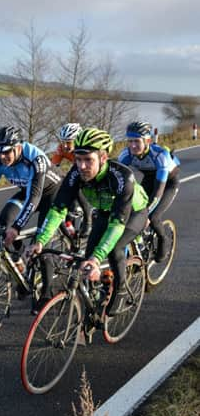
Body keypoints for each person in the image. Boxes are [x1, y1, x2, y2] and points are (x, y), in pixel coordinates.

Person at [27, 128, 149, 316]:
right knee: (86, 256)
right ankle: (94, 299)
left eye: (88, 160)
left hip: (133, 213)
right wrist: (41, 241)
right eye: (78, 159)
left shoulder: (122, 177)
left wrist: (97, 258)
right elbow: (58, 209)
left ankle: (121, 289)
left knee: (113, 249)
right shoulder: (76, 173)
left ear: (103, 158)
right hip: (104, 210)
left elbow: (117, 224)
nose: (81, 166)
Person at [0, 126, 63, 310]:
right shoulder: (0, 163)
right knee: (5, 219)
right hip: (28, 192)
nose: (2, 156)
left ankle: (46, 296)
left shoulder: (35, 159)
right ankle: (18, 265)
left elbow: (34, 197)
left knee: (41, 243)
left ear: (18, 147)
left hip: (50, 194)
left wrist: (16, 228)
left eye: (6, 152)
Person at [117, 121, 180, 262]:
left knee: (153, 216)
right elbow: (116, 179)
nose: (133, 145)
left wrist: (146, 215)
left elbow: (158, 192)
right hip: (150, 179)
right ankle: (138, 244)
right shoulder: (126, 155)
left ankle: (163, 240)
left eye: (137, 141)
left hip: (167, 183)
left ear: (148, 141)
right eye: (130, 141)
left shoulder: (160, 155)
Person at [52, 123, 93, 238]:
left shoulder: (86, 147)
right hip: (77, 170)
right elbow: (53, 167)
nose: (65, 145)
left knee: (76, 187)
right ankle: (72, 233)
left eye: (69, 142)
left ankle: (88, 217)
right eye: (63, 141)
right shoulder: (61, 148)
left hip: (90, 172)